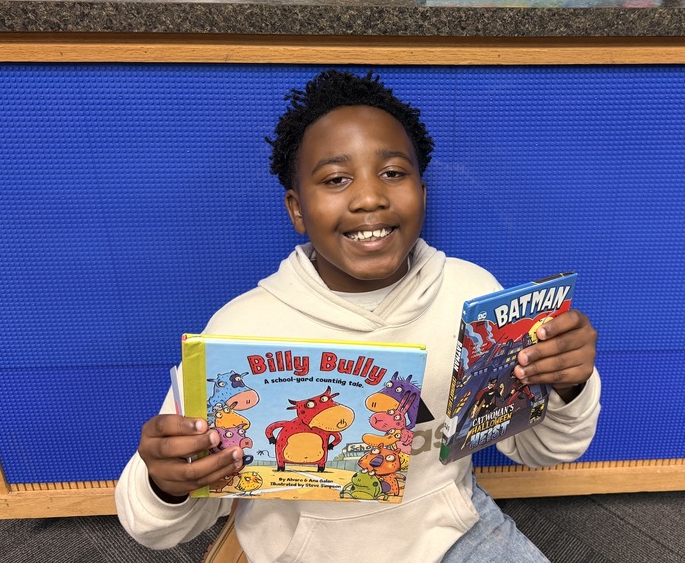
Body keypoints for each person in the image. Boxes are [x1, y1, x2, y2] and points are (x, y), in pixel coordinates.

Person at [115, 69, 601, 563]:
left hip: (455, 532)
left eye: (393, 172)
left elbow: (547, 452)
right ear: (297, 209)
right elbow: (154, 527)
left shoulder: (473, 296)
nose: (370, 196)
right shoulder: (240, 332)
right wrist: (165, 482)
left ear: (423, 192)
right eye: (335, 179)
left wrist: (567, 385)